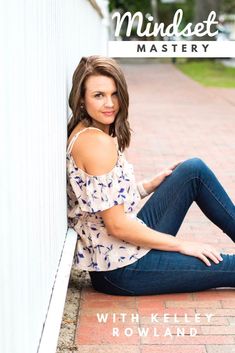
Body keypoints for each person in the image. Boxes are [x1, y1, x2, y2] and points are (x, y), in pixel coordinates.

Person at [67, 55, 235, 296]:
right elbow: (117, 226)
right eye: (98, 95)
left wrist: (147, 185)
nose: (109, 103)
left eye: (114, 94)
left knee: (192, 171)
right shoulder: (96, 144)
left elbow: (101, 201)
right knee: (227, 266)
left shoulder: (86, 130)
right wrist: (182, 245)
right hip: (121, 269)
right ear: (81, 99)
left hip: (126, 248)